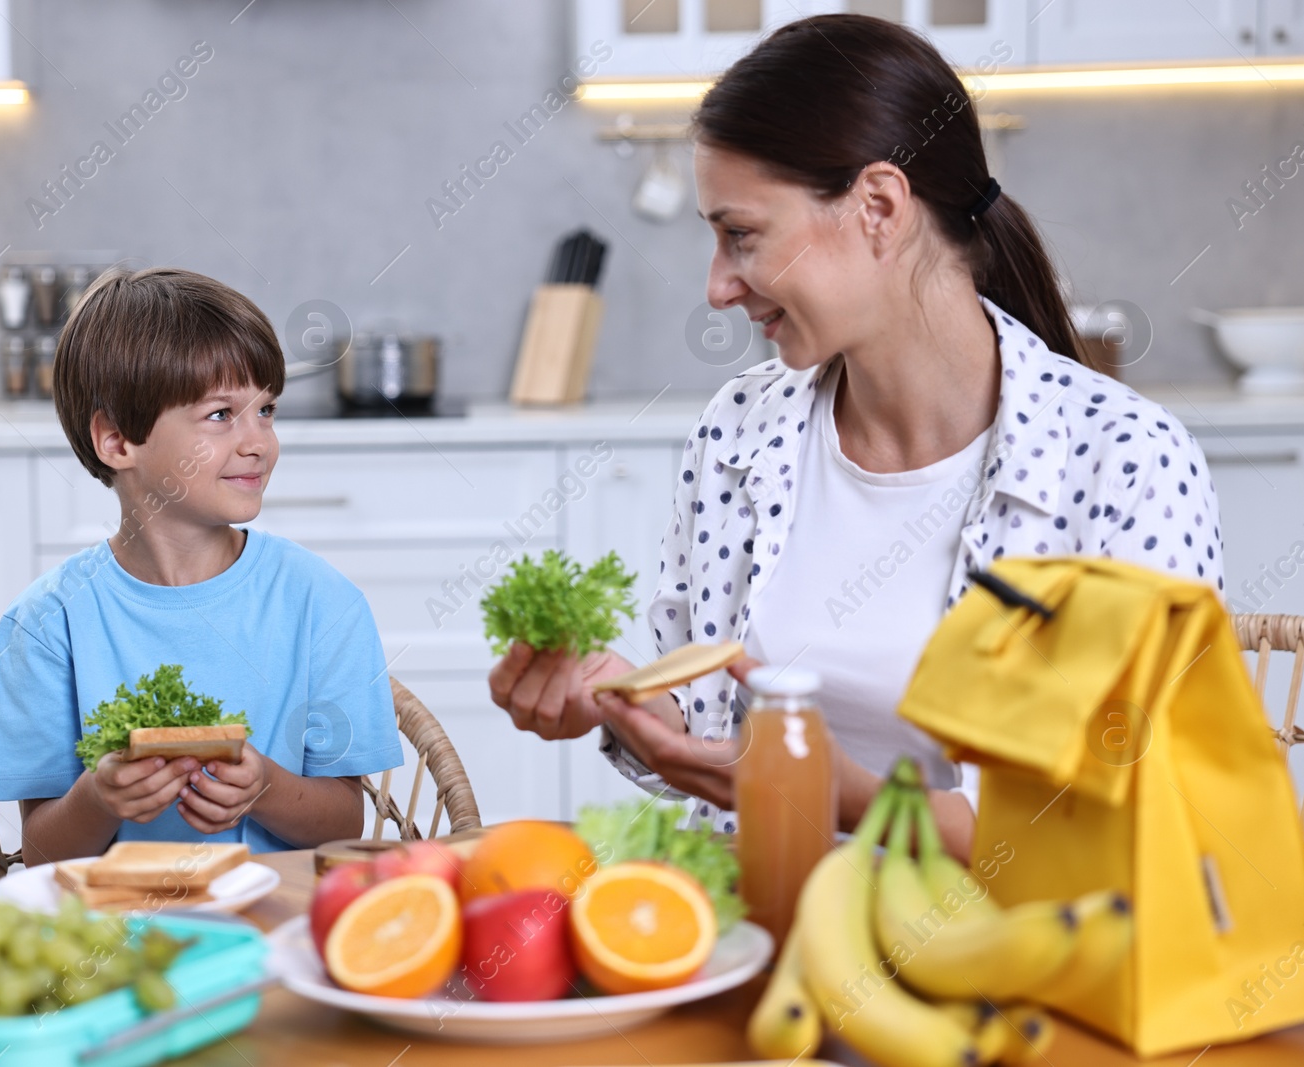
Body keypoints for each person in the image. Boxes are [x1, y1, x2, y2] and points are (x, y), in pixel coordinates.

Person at [489, 15, 1223, 861]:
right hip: (764, 941)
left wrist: (849, 799)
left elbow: (1136, 827)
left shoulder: (1123, 457)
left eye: (742, 234)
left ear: (878, 206)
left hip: (1006, 968)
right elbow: (708, 718)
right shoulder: (739, 431)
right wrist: (619, 697)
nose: (718, 285)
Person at [0, 267, 403, 864]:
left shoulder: (321, 602)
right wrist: (100, 797)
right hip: (116, 942)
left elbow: (345, 827)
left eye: (267, 410)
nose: (258, 441)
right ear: (118, 442)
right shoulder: (48, 624)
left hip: (277, 921)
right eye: (220, 415)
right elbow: (41, 854)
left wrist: (266, 787)